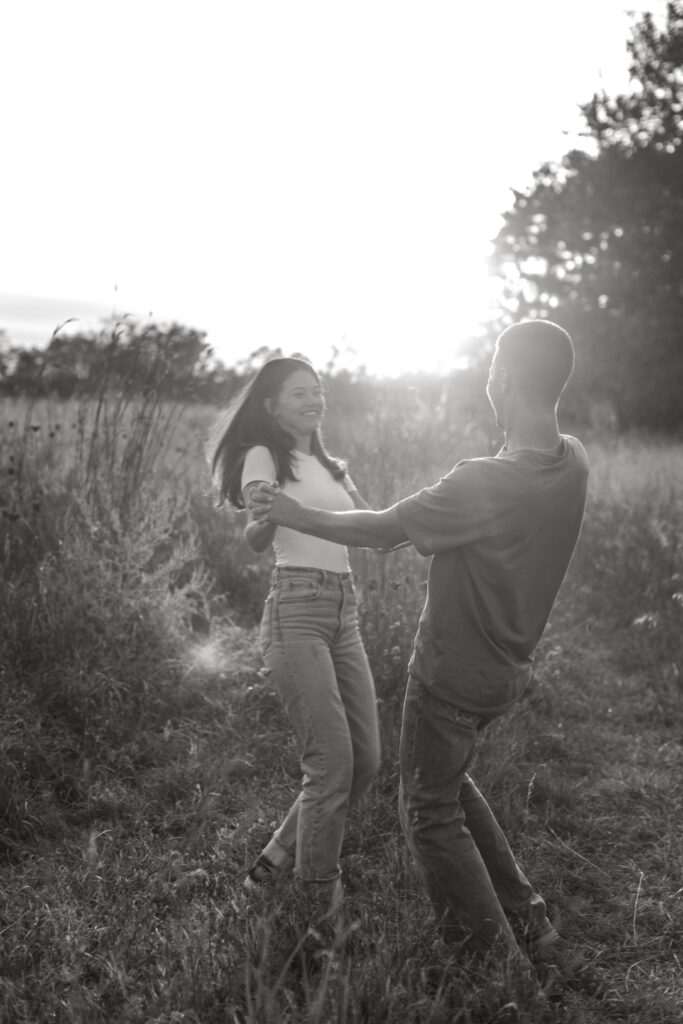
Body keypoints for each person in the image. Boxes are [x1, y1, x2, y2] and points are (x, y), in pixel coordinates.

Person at [249, 320, 589, 962]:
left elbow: (383, 531)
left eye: (491, 370)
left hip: (450, 673)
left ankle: (496, 968)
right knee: (447, 781)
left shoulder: (483, 480)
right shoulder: (573, 459)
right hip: (506, 672)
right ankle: (533, 928)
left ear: (502, 378)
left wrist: (295, 514)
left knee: (428, 810)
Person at [206, 356, 380, 923]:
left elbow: (366, 525)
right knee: (331, 764)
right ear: (271, 406)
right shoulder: (265, 454)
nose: (313, 399)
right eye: (299, 392)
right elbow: (258, 534)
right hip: (297, 607)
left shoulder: (330, 465)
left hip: (344, 610)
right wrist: (270, 515)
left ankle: (274, 861)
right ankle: (318, 906)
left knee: (366, 760)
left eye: (317, 390)